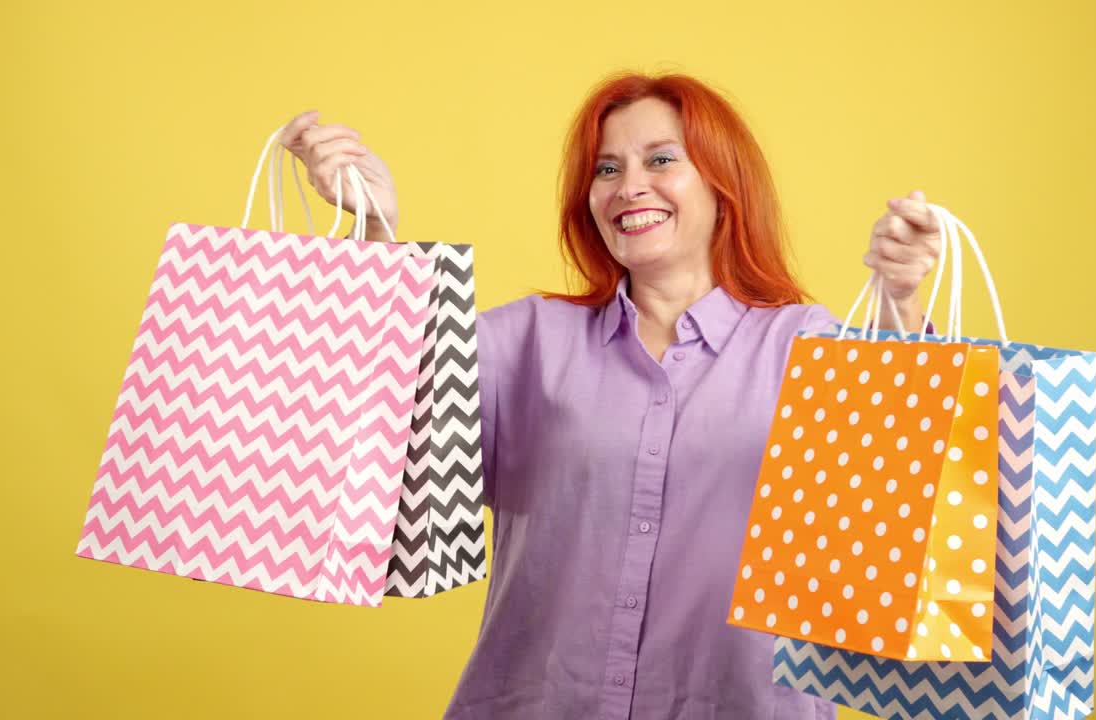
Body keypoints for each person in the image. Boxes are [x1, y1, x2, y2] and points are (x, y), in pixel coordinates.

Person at [281, 72, 942, 719]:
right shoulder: (531, 340)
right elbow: (374, 416)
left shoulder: (804, 345)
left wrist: (902, 304)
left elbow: (894, 478)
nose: (630, 187)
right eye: (606, 170)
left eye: (661, 160)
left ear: (723, 184)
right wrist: (374, 230)